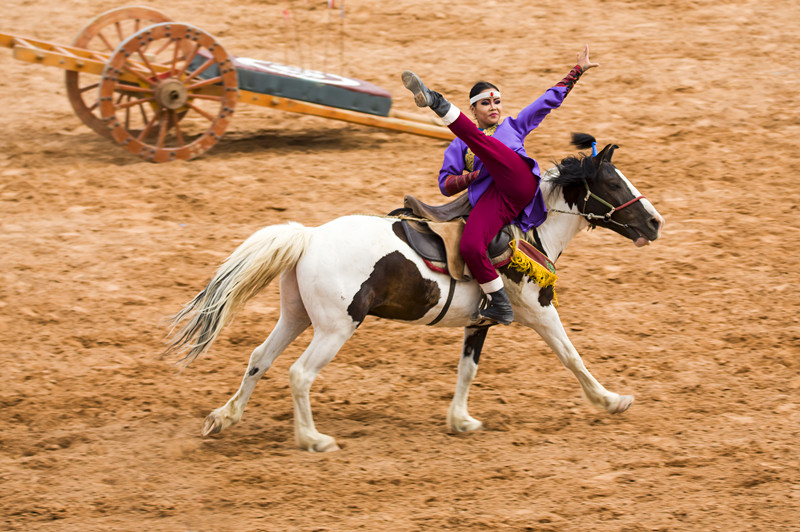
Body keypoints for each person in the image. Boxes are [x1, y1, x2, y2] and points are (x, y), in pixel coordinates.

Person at [402, 45, 598, 325]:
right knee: (471, 245)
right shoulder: (460, 145)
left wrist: (577, 71)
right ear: (473, 109)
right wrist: (472, 177)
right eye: (486, 103)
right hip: (495, 200)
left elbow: (547, 101)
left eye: (496, 102)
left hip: (519, 183)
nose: (493, 108)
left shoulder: (514, 126)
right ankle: (499, 303)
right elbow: (445, 184)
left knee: (485, 145)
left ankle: (436, 101)